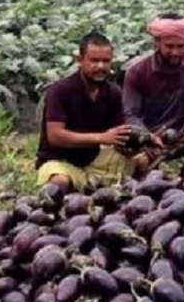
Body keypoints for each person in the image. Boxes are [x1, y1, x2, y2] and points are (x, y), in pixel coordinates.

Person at [123, 13, 184, 181]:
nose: (175, 52)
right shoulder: (137, 71)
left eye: (180, 46)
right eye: (169, 46)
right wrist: (147, 136)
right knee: (141, 166)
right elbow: (130, 114)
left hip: (182, 132)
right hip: (150, 137)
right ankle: (148, 177)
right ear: (156, 43)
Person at [36, 32, 134, 191]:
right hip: (61, 162)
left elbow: (119, 135)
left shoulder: (113, 93)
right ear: (79, 61)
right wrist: (101, 137)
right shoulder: (60, 91)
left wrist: (146, 140)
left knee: (141, 162)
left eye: (106, 61)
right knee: (60, 182)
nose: (101, 66)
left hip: (95, 162)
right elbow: (55, 136)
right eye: (94, 61)